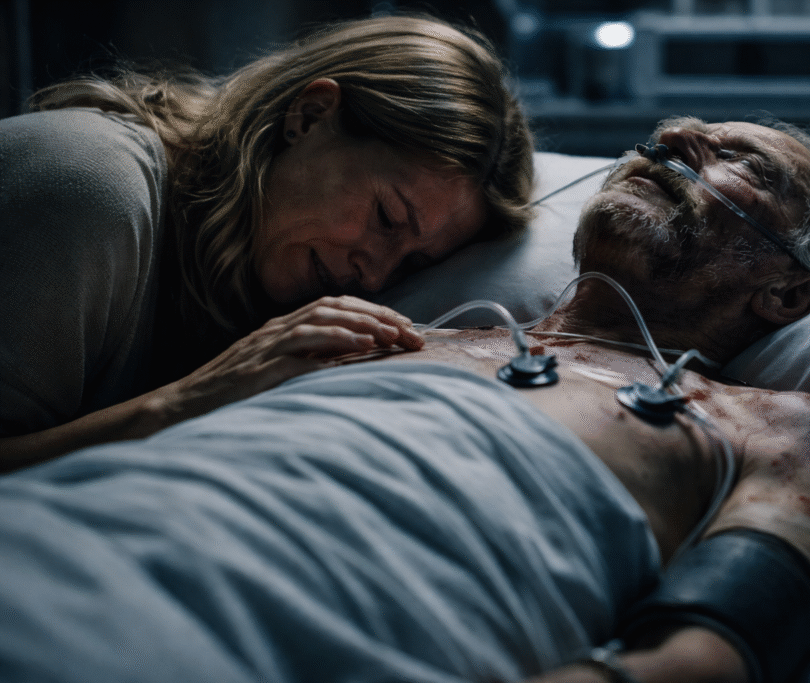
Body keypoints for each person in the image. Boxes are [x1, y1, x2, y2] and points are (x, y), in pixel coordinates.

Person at [0, 116, 810, 683]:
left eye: (735, 156)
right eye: (674, 132)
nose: (671, 134)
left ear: (788, 295)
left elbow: (710, 648)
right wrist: (197, 394)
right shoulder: (365, 331)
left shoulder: (773, 428)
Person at [0, 14, 534, 471]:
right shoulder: (91, 184)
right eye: (387, 217)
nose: (374, 278)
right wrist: (184, 403)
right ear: (309, 116)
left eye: (414, 263)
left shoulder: (242, 288)